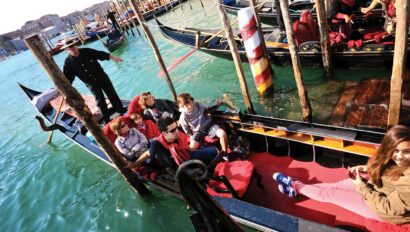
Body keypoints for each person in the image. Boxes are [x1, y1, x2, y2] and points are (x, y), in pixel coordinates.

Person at [273, 125, 410, 225]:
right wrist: (367, 168)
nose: (399, 156)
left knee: (330, 195)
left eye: (406, 151)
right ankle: (294, 188)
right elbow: (386, 171)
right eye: (395, 150)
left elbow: (388, 207)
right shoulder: (391, 158)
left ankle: (295, 186)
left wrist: (361, 187)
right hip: (375, 188)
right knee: (337, 185)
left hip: (381, 210)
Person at [62, 40, 125, 124]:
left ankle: (120, 110)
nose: (72, 47)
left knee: (111, 92)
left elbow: (100, 54)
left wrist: (114, 58)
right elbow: (68, 77)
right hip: (90, 82)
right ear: (67, 50)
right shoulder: (68, 62)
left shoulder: (87, 51)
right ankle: (107, 119)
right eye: (70, 47)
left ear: (76, 45)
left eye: (73, 45)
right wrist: (63, 90)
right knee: (100, 100)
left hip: (101, 76)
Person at [149, 116, 219, 169]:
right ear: (164, 133)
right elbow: (152, 159)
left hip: (187, 156)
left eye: (176, 127)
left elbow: (187, 148)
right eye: (173, 130)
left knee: (213, 150)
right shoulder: (156, 145)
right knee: (213, 151)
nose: (177, 131)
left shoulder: (178, 135)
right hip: (180, 168)